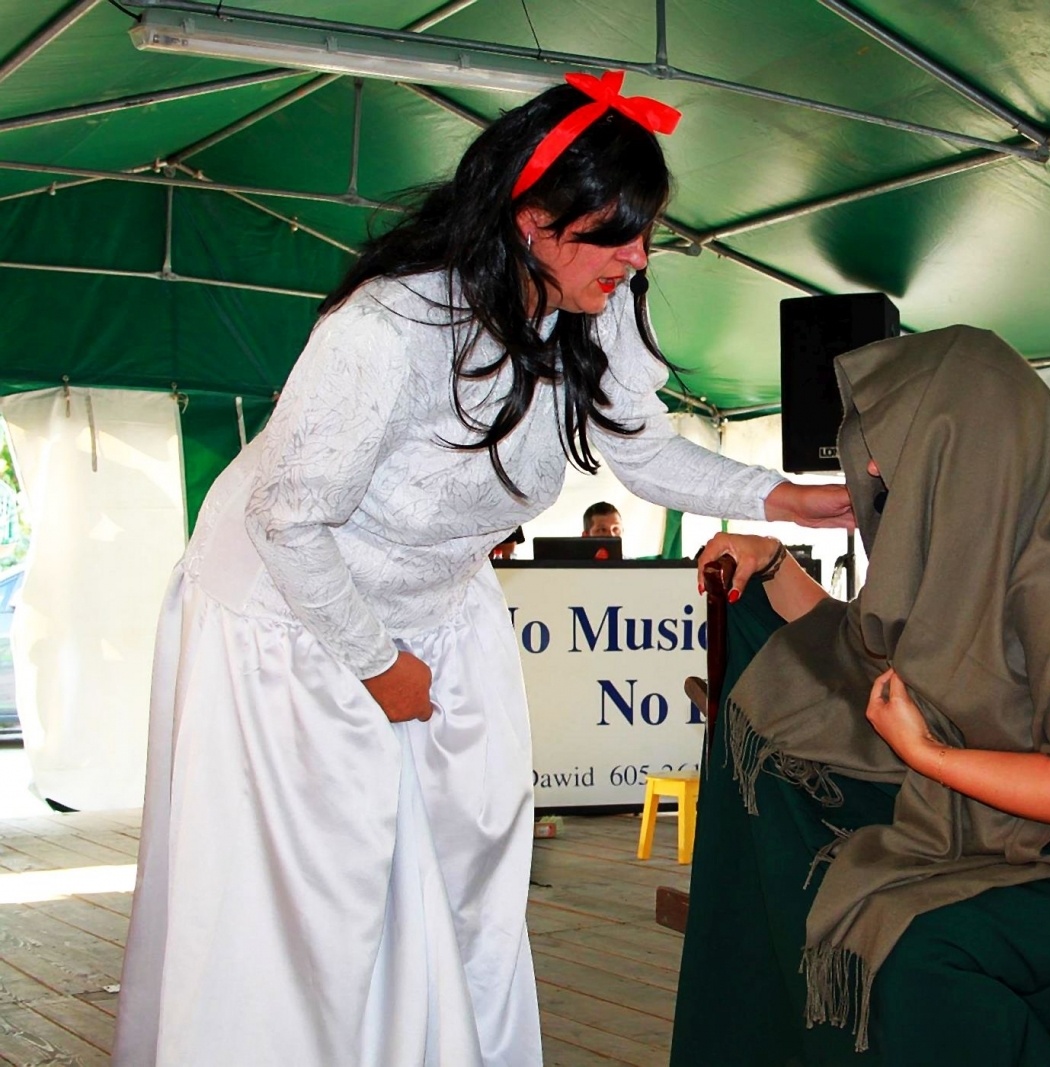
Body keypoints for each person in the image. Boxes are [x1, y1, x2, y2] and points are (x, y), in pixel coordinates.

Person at [113, 70, 849, 1067]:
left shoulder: (597, 298)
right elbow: (286, 517)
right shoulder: (387, 330)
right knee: (319, 914)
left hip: (440, 611)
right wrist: (379, 665)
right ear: (533, 221)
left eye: (646, 233)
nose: (638, 259)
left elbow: (639, 446)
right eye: (615, 235)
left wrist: (781, 497)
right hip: (292, 622)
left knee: (465, 880)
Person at [673, 326, 1050, 1067]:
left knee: (916, 956)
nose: (875, 461)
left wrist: (929, 753)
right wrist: (771, 562)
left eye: (896, 438)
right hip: (1028, 851)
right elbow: (853, 649)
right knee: (854, 909)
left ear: (968, 443)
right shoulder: (962, 561)